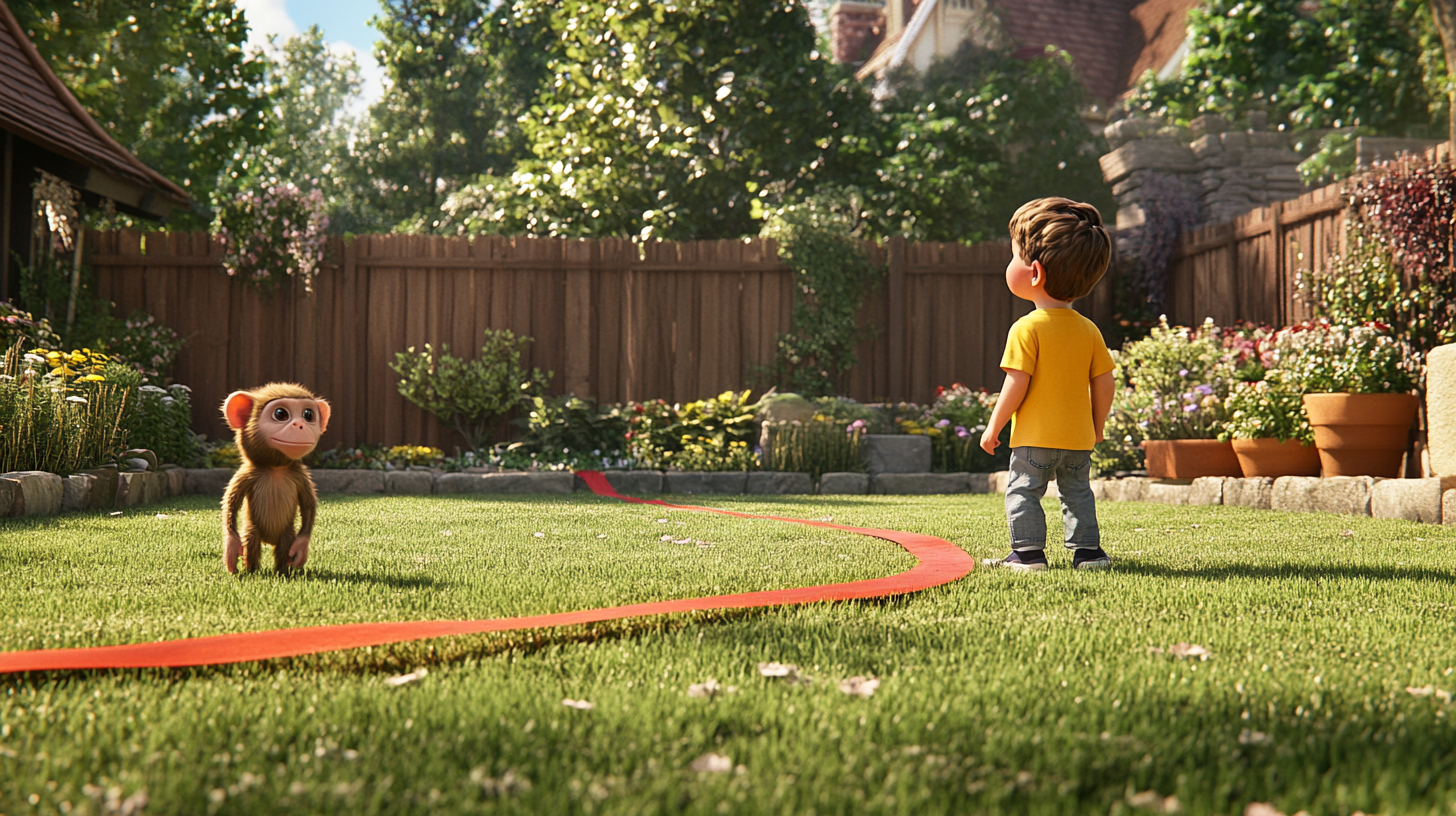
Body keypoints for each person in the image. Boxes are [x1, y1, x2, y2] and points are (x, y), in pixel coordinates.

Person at [979, 197, 1116, 571]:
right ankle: (1088, 554)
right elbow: (1105, 383)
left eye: (1013, 257)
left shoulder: (1026, 328)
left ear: (1034, 273)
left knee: (1024, 491)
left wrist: (994, 426)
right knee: (1077, 494)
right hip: (1076, 439)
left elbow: (1016, 384)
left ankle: (1027, 554)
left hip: (1034, 439)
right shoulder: (1089, 330)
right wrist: (1097, 424)